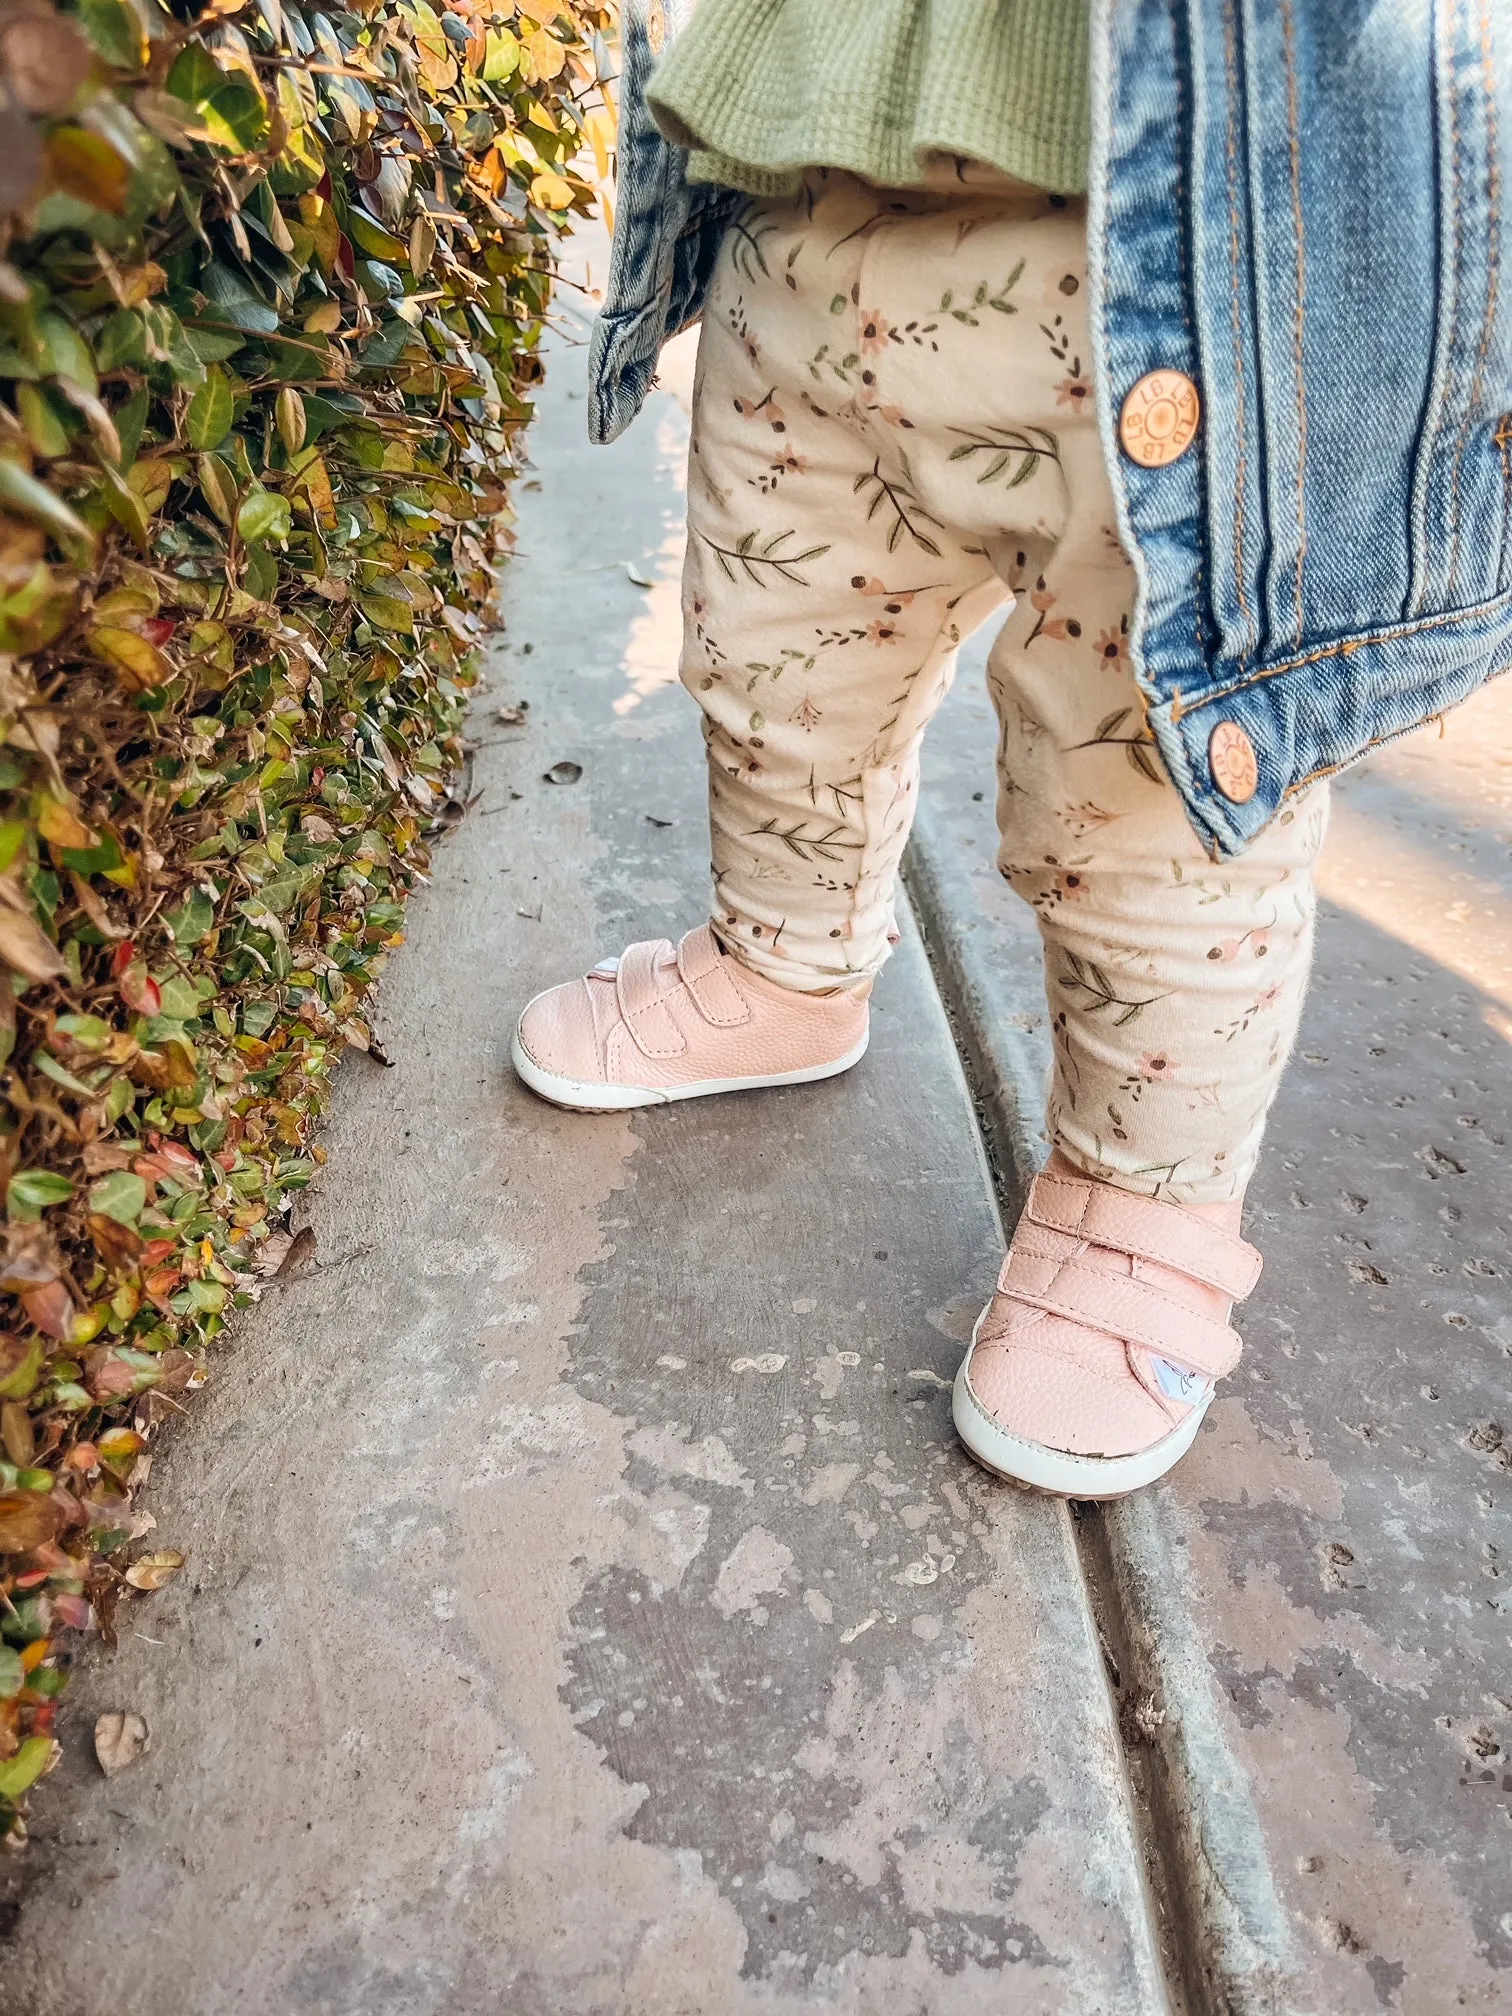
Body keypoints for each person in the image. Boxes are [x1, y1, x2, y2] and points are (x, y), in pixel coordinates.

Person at [511, 0, 1512, 1498]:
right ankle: (786, 962)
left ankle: (1137, 1206)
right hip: (807, 215)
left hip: (1184, 299)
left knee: (1148, 796)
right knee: (771, 673)